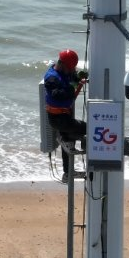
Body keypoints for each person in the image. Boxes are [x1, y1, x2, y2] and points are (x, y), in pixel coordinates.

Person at [43, 49, 88, 180]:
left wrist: (78, 77)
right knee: (88, 128)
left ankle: (68, 172)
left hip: (64, 116)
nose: (71, 71)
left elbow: (71, 77)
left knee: (70, 139)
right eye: (70, 68)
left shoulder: (64, 71)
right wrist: (73, 85)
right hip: (58, 118)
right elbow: (57, 95)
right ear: (61, 64)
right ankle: (65, 141)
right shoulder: (51, 78)